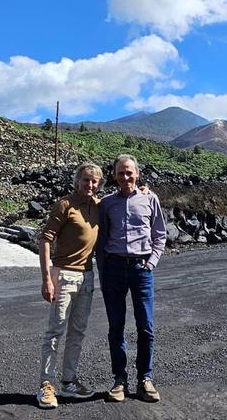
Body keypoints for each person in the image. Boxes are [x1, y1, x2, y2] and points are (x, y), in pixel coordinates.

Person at [96, 154, 167, 403]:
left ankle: (145, 379)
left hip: (141, 270)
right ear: (113, 176)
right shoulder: (105, 204)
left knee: (145, 327)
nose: (125, 177)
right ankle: (119, 380)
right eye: (120, 173)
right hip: (114, 269)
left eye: (129, 172)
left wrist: (151, 262)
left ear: (137, 174)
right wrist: (102, 272)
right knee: (116, 328)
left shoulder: (150, 198)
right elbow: (101, 239)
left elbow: (160, 234)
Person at [35, 163, 103, 409]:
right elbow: (45, 240)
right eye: (86, 180)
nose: (90, 185)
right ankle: (46, 385)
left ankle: (69, 381)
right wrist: (46, 279)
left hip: (87, 276)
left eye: (95, 181)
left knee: (78, 332)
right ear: (77, 181)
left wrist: (143, 189)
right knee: (55, 332)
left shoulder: (98, 206)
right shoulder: (65, 205)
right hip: (63, 275)